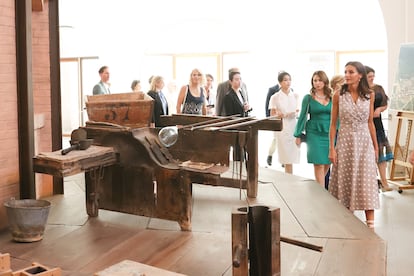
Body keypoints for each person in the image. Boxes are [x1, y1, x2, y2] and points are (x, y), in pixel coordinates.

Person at [328, 61, 379, 229]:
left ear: (360, 75)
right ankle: (347, 222)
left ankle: (370, 225)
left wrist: (376, 147)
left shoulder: (369, 95)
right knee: (346, 179)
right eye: (345, 72)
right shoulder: (338, 95)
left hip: (365, 143)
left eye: (351, 72)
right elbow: (333, 124)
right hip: (345, 142)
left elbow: (370, 122)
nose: (347, 75)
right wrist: (332, 149)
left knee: (367, 180)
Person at [294, 71, 332, 186]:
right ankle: (321, 192)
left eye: (320, 80)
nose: (317, 83)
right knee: (318, 163)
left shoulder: (332, 96)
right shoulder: (308, 98)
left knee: (327, 163)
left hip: (329, 133)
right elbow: (302, 117)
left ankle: (318, 187)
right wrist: (298, 134)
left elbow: (337, 116)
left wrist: (338, 132)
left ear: (325, 82)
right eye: (315, 80)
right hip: (314, 133)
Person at [365, 65, 394, 192]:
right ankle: (370, 183)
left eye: (373, 76)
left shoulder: (378, 88)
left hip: (377, 125)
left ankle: (384, 182)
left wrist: (379, 109)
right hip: (364, 125)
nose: (372, 78)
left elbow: (385, 104)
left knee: (381, 157)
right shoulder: (360, 90)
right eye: (369, 76)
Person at [269, 71, 300, 174]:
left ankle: (290, 176)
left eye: (289, 80)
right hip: (282, 127)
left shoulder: (295, 95)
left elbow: (298, 111)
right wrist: (279, 114)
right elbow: (272, 114)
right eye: (285, 80)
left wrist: (291, 113)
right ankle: (288, 177)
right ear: (280, 82)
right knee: (285, 156)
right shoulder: (275, 97)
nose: (288, 82)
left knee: (292, 155)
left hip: (293, 126)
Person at [223, 71, 251, 161]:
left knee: (246, 151)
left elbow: (243, 107)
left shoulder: (241, 92)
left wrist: (248, 107)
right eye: (236, 79)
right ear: (231, 81)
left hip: (244, 125)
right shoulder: (228, 96)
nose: (239, 81)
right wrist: (243, 109)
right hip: (236, 127)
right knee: (238, 152)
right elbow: (230, 114)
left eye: (240, 79)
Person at [324, 74, 345, 189]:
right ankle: (326, 185)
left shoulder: (344, 97)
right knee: (328, 159)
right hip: (331, 130)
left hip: (341, 130)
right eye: (342, 82)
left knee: (338, 160)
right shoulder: (331, 98)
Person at [265, 77, 281, 166]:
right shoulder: (272, 90)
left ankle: (283, 160)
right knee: (276, 139)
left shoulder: (291, 90)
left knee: (284, 140)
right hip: (275, 118)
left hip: (287, 120)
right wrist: (268, 119)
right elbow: (267, 104)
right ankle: (270, 155)